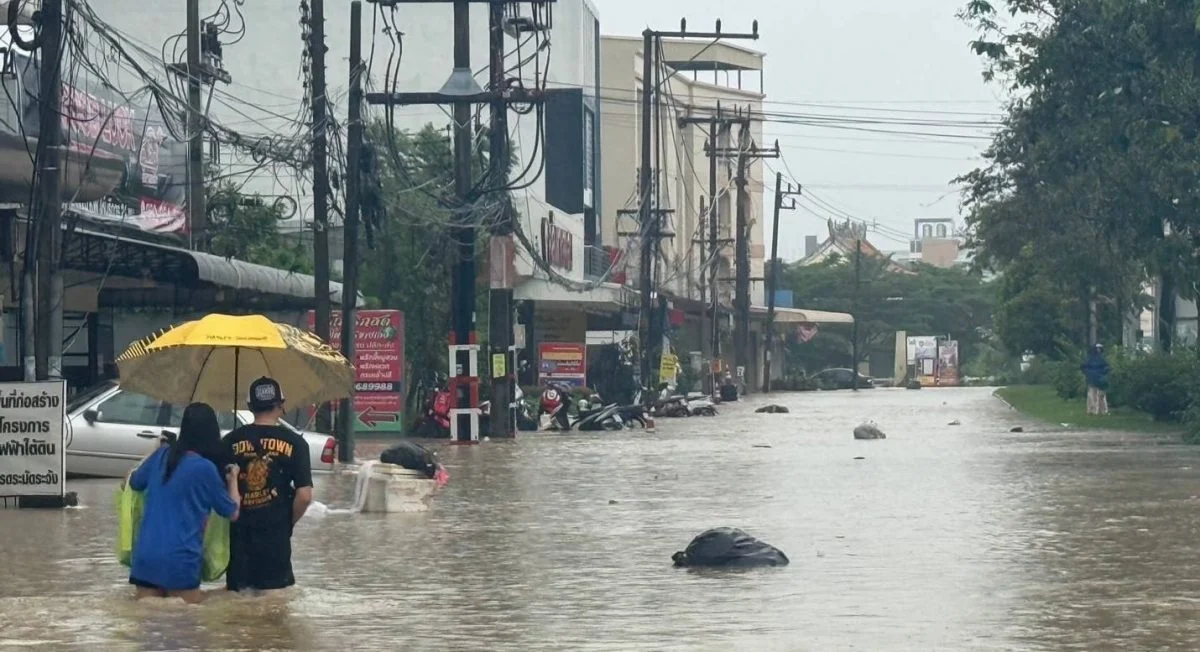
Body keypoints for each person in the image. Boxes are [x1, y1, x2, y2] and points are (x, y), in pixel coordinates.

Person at [128, 403, 240, 604]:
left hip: (146, 558)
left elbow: (134, 482)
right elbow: (232, 512)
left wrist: (154, 451)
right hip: (181, 560)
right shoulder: (205, 469)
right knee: (185, 629)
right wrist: (233, 480)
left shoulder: (161, 456)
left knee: (146, 627)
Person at [222, 377, 313, 593]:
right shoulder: (297, 443)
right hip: (276, 541)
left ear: (250, 406)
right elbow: (305, 496)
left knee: (238, 607)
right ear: (281, 405)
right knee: (275, 610)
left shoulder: (229, 441)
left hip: (239, 540)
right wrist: (287, 523)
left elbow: (221, 492)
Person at [1082, 344, 1110, 416]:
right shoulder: (1091, 358)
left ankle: (1102, 410)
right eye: (1097, 349)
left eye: (1099, 349)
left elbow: (1107, 367)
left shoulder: (1101, 358)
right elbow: (1084, 367)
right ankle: (1093, 410)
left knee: (1101, 395)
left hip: (1100, 379)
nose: (1098, 350)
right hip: (1093, 378)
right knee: (1092, 395)